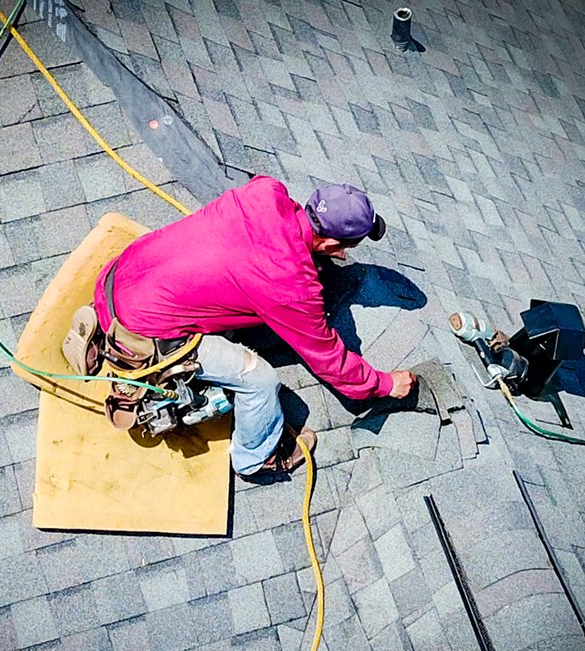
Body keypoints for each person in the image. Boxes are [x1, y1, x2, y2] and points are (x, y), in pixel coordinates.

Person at [92, 175, 416, 479]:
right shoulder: (293, 286)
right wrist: (385, 384)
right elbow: (329, 359)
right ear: (332, 244)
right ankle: (256, 460)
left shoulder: (265, 192)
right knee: (259, 379)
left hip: (116, 279)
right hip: (137, 334)